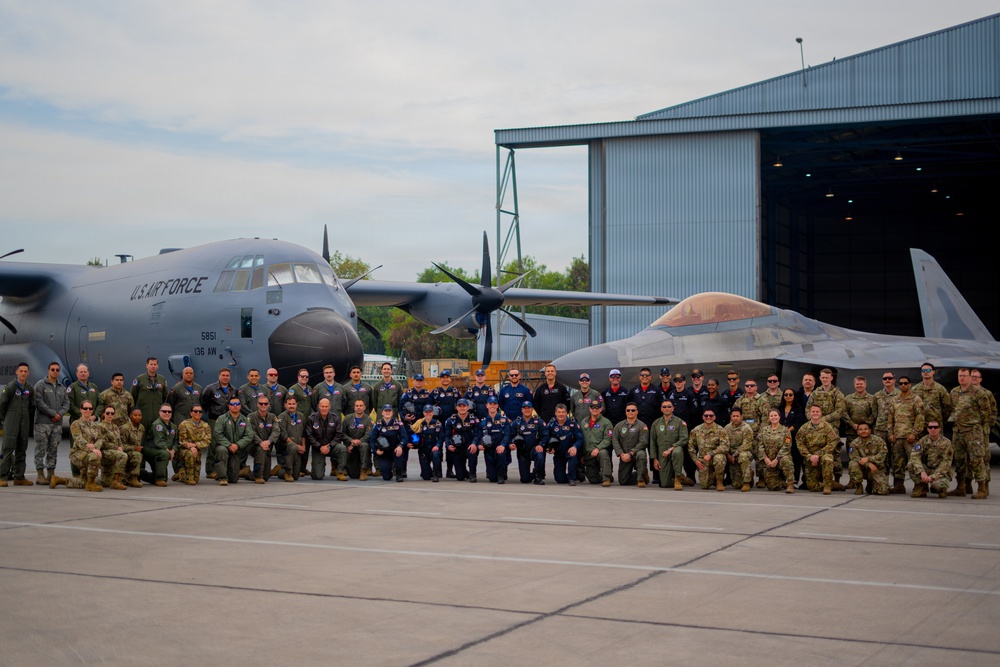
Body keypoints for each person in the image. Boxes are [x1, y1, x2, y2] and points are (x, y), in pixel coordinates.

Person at [949, 368, 992, 499]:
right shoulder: (954, 392)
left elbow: (986, 412)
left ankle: (982, 488)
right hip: (958, 432)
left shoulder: (978, 393)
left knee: (976, 459)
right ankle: (961, 487)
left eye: (964, 376)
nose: (962, 378)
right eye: (960, 376)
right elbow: (952, 409)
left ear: (969, 377)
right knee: (960, 460)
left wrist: (977, 426)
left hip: (973, 431)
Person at [887, 376, 925, 494]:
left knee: (914, 462)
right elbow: (890, 418)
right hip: (897, 437)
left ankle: (919, 485)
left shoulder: (916, 399)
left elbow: (920, 417)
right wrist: (891, 433)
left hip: (910, 437)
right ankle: (899, 485)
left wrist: (914, 433)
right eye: (901, 383)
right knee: (897, 463)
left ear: (910, 384)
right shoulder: (895, 400)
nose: (903, 385)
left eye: (905, 383)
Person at [56, 400, 104, 491]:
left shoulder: (95, 425)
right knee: (95, 456)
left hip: (90, 452)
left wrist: (96, 447)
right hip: (77, 453)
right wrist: (92, 449)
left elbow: (100, 439)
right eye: (85, 408)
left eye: (90, 408)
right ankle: (90, 484)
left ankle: (60, 480)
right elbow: (79, 440)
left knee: (84, 481)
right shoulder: (76, 424)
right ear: (81, 410)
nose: (88, 410)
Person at [33, 361, 68, 485]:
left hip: (56, 425)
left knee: (53, 449)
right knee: (40, 449)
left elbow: (66, 403)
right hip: (42, 423)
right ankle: (40, 474)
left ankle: (51, 473)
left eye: (57, 370)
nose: (55, 372)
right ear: (48, 371)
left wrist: (60, 414)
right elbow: (38, 402)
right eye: (52, 369)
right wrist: (54, 413)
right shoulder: (40, 385)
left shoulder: (61, 388)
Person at [0, 362, 34, 487]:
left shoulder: (29, 388)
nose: (23, 373)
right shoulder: (10, 387)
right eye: (21, 371)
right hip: (11, 421)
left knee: (22, 449)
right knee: (8, 449)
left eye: (26, 371)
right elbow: (2, 404)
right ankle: (2, 476)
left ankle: (19, 477)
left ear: (28, 373)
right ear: (17, 372)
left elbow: (32, 405)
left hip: (24, 423)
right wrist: (6, 418)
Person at [842, 376, 878, 488]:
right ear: (854, 385)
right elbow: (844, 413)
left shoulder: (872, 399)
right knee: (852, 458)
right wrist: (852, 424)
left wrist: (865, 425)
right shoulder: (848, 399)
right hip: (852, 432)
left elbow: (874, 414)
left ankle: (870, 482)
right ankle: (853, 481)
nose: (859, 386)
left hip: (867, 434)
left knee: (868, 457)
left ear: (865, 384)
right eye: (857, 384)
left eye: (861, 384)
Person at [796, 405, 839, 494]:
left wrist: (818, 454)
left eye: (817, 412)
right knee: (812, 486)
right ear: (809, 413)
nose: (815, 413)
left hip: (824, 454)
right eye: (813, 412)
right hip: (810, 458)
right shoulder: (804, 428)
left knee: (827, 460)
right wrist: (809, 456)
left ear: (821, 413)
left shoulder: (827, 426)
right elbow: (800, 443)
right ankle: (834, 485)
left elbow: (833, 442)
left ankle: (827, 486)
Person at [649, 399, 691, 490]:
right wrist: (654, 458)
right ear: (661, 409)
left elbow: (684, 439)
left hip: (675, 449)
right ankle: (683, 478)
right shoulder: (656, 423)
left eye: (669, 406)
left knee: (677, 452)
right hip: (662, 453)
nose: (667, 408)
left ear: (673, 408)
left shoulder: (680, 422)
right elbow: (652, 441)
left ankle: (678, 479)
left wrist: (671, 449)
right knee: (664, 484)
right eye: (664, 407)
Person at [212, 397, 253, 485]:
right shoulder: (222, 418)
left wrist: (237, 445)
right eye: (232, 404)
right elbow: (217, 434)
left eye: (237, 404)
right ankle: (222, 477)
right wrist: (229, 445)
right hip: (224, 446)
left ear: (240, 406)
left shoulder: (245, 420)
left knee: (234, 479)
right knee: (221, 450)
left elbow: (249, 435)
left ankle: (224, 472)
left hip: (237, 449)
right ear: (228, 406)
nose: (235, 406)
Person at [909, 420, 954, 499]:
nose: (933, 429)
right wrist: (922, 471)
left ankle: (942, 490)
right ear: (928, 429)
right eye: (930, 427)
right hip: (927, 469)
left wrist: (932, 477)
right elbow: (915, 455)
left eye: (935, 427)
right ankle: (922, 487)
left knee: (938, 485)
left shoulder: (946, 443)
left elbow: (946, 463)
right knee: (911, 464)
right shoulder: (923, 440)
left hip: (940, 472)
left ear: (939, 429)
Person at [304, 397, 346, 481]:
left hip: (331, 447)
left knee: (342, 448)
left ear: (329, 407)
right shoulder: (311, 418)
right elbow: (309, 435)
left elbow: (339, 434)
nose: (324, 408)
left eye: (326, 406)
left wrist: (329, 446)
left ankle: (340, 472)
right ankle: (316, 467)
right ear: (319, 407)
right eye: (322, 406)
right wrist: (319, 447)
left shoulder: (335, 418)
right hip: (318, 448)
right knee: (317, 477)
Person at [688, 409, 729, 491]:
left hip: (715, 456)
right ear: (703, 417)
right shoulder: (696, 430)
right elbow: (691, 446)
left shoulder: (720, 430)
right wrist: (695, 460)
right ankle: (713, 477)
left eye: (711, 416)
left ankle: (719, 481)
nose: (708, 417)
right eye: (706, 416)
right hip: (703, 459)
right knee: (704, 485)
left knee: (719, 459)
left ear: (714, 417)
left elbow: (725, 446)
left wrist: (711, 454)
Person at [757, 409, 795, 493]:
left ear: (779, 417)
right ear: (769, 418)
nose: (773, 417)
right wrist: (765, 458)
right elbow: (760, 445)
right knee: (772, 486)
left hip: (781, 458)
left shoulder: (786, 431)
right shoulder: (764, 431)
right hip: (769, 460)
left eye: (775, 415)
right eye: (771, 416)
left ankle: (790, 484)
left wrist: (777, 459)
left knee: (787, 461)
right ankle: (782, 483)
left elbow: (787, 446)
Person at [611, 403, 649, 487]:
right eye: (628, 410)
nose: (630, 412)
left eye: (633, 410)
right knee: (623, 481)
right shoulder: (619, 426)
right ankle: (640, 473)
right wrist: (621, 454)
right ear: (625, 412)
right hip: (624, 455)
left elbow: (643, 442)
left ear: (637, 412)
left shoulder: (642, 426)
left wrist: (631, 453)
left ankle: (641, 479)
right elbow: (615, 441)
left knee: (641, 454)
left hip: (636, 454)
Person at [509, 400, 547, 485]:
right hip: (522, 451)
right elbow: (510, 435)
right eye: (525, 408)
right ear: (522, 410)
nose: (527, 410)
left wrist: (541, 445)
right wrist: (511, 444)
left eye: (529, 408)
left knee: (540, 454)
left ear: (532, 409)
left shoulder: (539, 422)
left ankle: (538, 476)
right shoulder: (516, 423)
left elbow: (545, 436)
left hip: (534, 449)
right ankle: (533, 474)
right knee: (524, 480)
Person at [370, 403, 410, 482]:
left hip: (395, 449)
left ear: (392, 412)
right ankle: (388, 471)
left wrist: (400, 446)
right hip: (384, 452)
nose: (387, 413)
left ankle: (399, 473)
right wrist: (376, 450)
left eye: (389, 411)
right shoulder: (378, 424)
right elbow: (372, 439)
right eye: (386, 411)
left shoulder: (398, 423)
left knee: (399, 454)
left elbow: (404, 437)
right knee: (386, 477)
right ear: (382, 413)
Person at [433, 370, 462, 477]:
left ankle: (449, 470)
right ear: (440, 379)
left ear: (450, 379)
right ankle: (438, 470)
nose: (445, 379)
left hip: (452, 423)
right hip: (439, 423)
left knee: (450, 446)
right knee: (438, 446)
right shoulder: (435, 392)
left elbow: (461, 406)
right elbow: (429, 408)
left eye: (447, 377)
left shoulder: (455, 392)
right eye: (443, 377)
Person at [247, 394, 282, 483]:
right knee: (260, 450)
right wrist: (260, 442)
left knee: (266, 476)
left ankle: (248, 473)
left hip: (267, 446)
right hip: (254, 446)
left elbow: (276, 431)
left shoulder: (273, 417)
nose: (263, 405)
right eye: (261, 403)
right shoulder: (251, 417)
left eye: (265, 404)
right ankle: (258, 476)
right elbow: (251, 432)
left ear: (269, 405)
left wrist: (268, 441)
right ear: (257, 404)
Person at [847, 422, 888, 495]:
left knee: (883, 491)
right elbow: (854, 457)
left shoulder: (878, 441)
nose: (863, 431)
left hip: (876, 468)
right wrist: (868, 464)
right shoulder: (854, 443)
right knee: (852, 464)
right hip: (862, 468)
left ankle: (871, 483)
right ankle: (859, 486)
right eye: (860, 429)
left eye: (865, 429)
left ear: (870, 430)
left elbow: (883, 455)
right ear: (857, 432)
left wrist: (869, 459)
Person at [442, 399, 478, 482]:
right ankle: (464, 471)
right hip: (457, 448)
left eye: (464, 406)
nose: (462, 408)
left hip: (469, 446)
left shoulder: (474, 419)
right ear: (456, 407)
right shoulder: (450, 420)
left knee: (473, 452)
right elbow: (447, 435)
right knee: (460, 477)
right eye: (460, 406)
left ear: (468, 407)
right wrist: (448, 445)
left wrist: (474, 443)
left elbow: (477, 434)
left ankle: (472, 474)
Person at [547, 404, 583, 486]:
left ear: (566, 413)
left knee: (573, 455)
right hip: (558, 452)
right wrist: (549, 447)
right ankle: (577, 475)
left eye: (563, 412)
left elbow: (580, 438)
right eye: (559, 412)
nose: (561, 414)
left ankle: (572, 478)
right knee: (559, 479)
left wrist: (575, 446)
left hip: (569, 450)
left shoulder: (572, 423)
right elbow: (546, 437)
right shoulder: (552, 423)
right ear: (555, 413)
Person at [141, 404, 176, 487]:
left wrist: (173, 450)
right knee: (164, 454)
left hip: (162, 450)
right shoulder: (158, 425)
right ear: (159, 412)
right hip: (150, 449)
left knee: (165, 478)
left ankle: (141, 474)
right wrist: (169, 451)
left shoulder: (173, 427)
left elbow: (176, 441)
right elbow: (159, 442)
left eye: (169, 411)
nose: (167, 413)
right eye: (164, 411)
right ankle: (159, 479)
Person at [580, 400, 614, 486]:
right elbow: (581, 438)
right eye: (592, 407)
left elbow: (608, 438)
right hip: (589, 454)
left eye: (597, 408)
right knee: (593, 479)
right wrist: (582, 454)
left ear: (601, 409)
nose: (594, 409)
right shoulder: (584, 422)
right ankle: (603, 476)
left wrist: (598, 448)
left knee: (604, 453)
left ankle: (606, 478)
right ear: (589, 409)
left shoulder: (606, 422)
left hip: (599, 451)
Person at [479, 396, 511, 483]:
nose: (492, 406)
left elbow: (507, 434)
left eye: (494, 404)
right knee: (492, 479)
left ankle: (501, 474)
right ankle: (495, 473)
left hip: (500, 448)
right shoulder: (483, 421)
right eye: (490, 404)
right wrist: (479, 444)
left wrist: (503, 445)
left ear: (497, 406)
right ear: (487, 406)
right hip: (489, 450)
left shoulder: (504, 420)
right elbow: (478, 435)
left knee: (501, 453)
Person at [177, 403, 211, 485]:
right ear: (191, 413)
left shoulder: (205, 426)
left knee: (196, 479)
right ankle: (189, 478)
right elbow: (181, 440)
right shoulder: (184, 424)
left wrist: (195, 445)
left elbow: (207, 441)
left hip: (197, 451)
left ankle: (180, 475)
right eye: (195, 411)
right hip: (184, 450)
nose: (198, 413)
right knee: (190, 454)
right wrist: (190, 447)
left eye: (200, 411)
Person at [913, 362, 952, 432]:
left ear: (933, 372)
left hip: (935, 427)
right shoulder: (914, 389)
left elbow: (947, 408)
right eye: (923, 370)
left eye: (928, 370)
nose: (925, 372)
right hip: (919, 427)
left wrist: (940, 421)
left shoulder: (940, 389)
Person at [95, 405, 128, 489]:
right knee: (123, 456)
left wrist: (120, 447)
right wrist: (116, 447)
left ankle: (113, 479)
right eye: (108, 413)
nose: (110, 415)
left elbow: (119, 441)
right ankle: (116, 481)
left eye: (112, 413)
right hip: (104, 451)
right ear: (103, 414)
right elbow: (102, 443)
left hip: (114, 451)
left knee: (106, 483)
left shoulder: (115, 427)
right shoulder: (100, 426)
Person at [779, 388, 807, 487]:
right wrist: (782, 430)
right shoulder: (779, 408)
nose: (788, 396)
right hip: (781, 436)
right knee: (782, 456)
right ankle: (782, 479)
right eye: (786, 394)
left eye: (790, 395)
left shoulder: (798, 408)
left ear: (794, 396)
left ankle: (795, 480)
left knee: (795, 458)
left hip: (794, 436)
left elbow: (799, 421)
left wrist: (789, 430)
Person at [131, 357, 168, 430]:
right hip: (143, 414)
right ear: (147, 365)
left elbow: (165, 397)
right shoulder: (140, 379)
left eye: (155, 364)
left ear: (158, 366)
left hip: (157, 414)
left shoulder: (162, 379)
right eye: (151, 364)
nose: (153, 366)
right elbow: (132, 396)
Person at [873, 372, 900, 473]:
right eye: (885, 379)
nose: (887, 380)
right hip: (880, 430)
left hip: (895, 431)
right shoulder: (877, 396)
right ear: (882, 381)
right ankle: (882, 483)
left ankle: (898, 484)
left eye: (890, 378)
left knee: (896, 458)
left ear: (894, 380)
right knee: (881, 457)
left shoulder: (899, 395)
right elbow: (874, 412)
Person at [341, 398, 373, 480]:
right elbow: (342, 433)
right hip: (350, 446)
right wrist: (351, 441)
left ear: (364, 407)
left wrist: (358, 442)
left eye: (361, 406)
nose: (359, 407)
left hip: (362, 445)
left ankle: (364, 470)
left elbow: (368, 435)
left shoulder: (369, 420)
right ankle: (344, 468)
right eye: (357, 406)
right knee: (354, 475)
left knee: (365, 445)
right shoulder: (347, 418)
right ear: (354, 407)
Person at [724, 407, 755, 492]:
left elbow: (747, 444)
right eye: (733, 416)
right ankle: (749, 475)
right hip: (731, 455)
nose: (735, 418)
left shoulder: (746, 428)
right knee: (736, 485)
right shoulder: (727, 428)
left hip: (743, 452)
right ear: (731, 417)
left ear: (741, 416)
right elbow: (724, 443)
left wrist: (734, 455)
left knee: (743, 456)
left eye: (737, 416)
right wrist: (728, 455)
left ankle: (746, 482)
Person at [277, 395, 307, 481]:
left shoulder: (301, 416)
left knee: (296, 476)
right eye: (289, 404)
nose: (291, 406)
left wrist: (303, 446)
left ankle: (280, 470)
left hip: (298, 448)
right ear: (285, 405)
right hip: (286, 447)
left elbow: (304, 434)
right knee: (292, 446)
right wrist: (298, 446)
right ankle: (286, 472)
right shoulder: (281, 417)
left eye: (293, 404)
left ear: (296, 405)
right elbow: (283, 436)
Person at [412, 404, 443, 482]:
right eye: (426, 412)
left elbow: (441, 437)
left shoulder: (437, 423)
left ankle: (436, 474)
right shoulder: (419, 424)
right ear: (423, 413)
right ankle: (426, 471)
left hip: (434, 448)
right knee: (426, 477)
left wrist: (437, 445)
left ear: (433, 413)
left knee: (436, 454)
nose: (428, 414)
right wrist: (413, 445)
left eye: (430, 412)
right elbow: (413, 435)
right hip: (423, 450)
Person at [119, 407, 146, 487]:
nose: (137, 417)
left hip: (137, 450)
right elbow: (121, 445)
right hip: (126, 451)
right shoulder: (125, 428)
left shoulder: (141, 427)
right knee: (137, 455)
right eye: (135, 415)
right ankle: (133, 478)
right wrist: (134, 448)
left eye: (139, 415)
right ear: (130, 416)